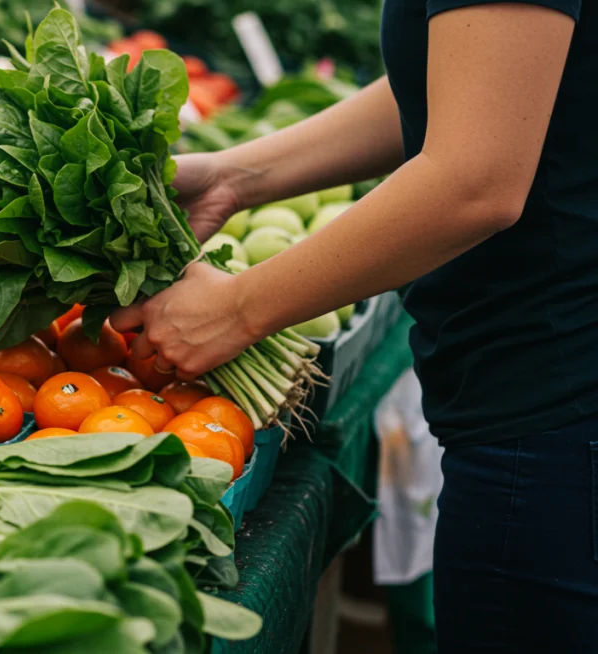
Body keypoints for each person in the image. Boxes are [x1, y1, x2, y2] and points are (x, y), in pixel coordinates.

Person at [110, 1, 597, 651]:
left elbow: (474, 181)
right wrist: (236, 177)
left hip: (559, 414)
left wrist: (236, 310)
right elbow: (469, 80)